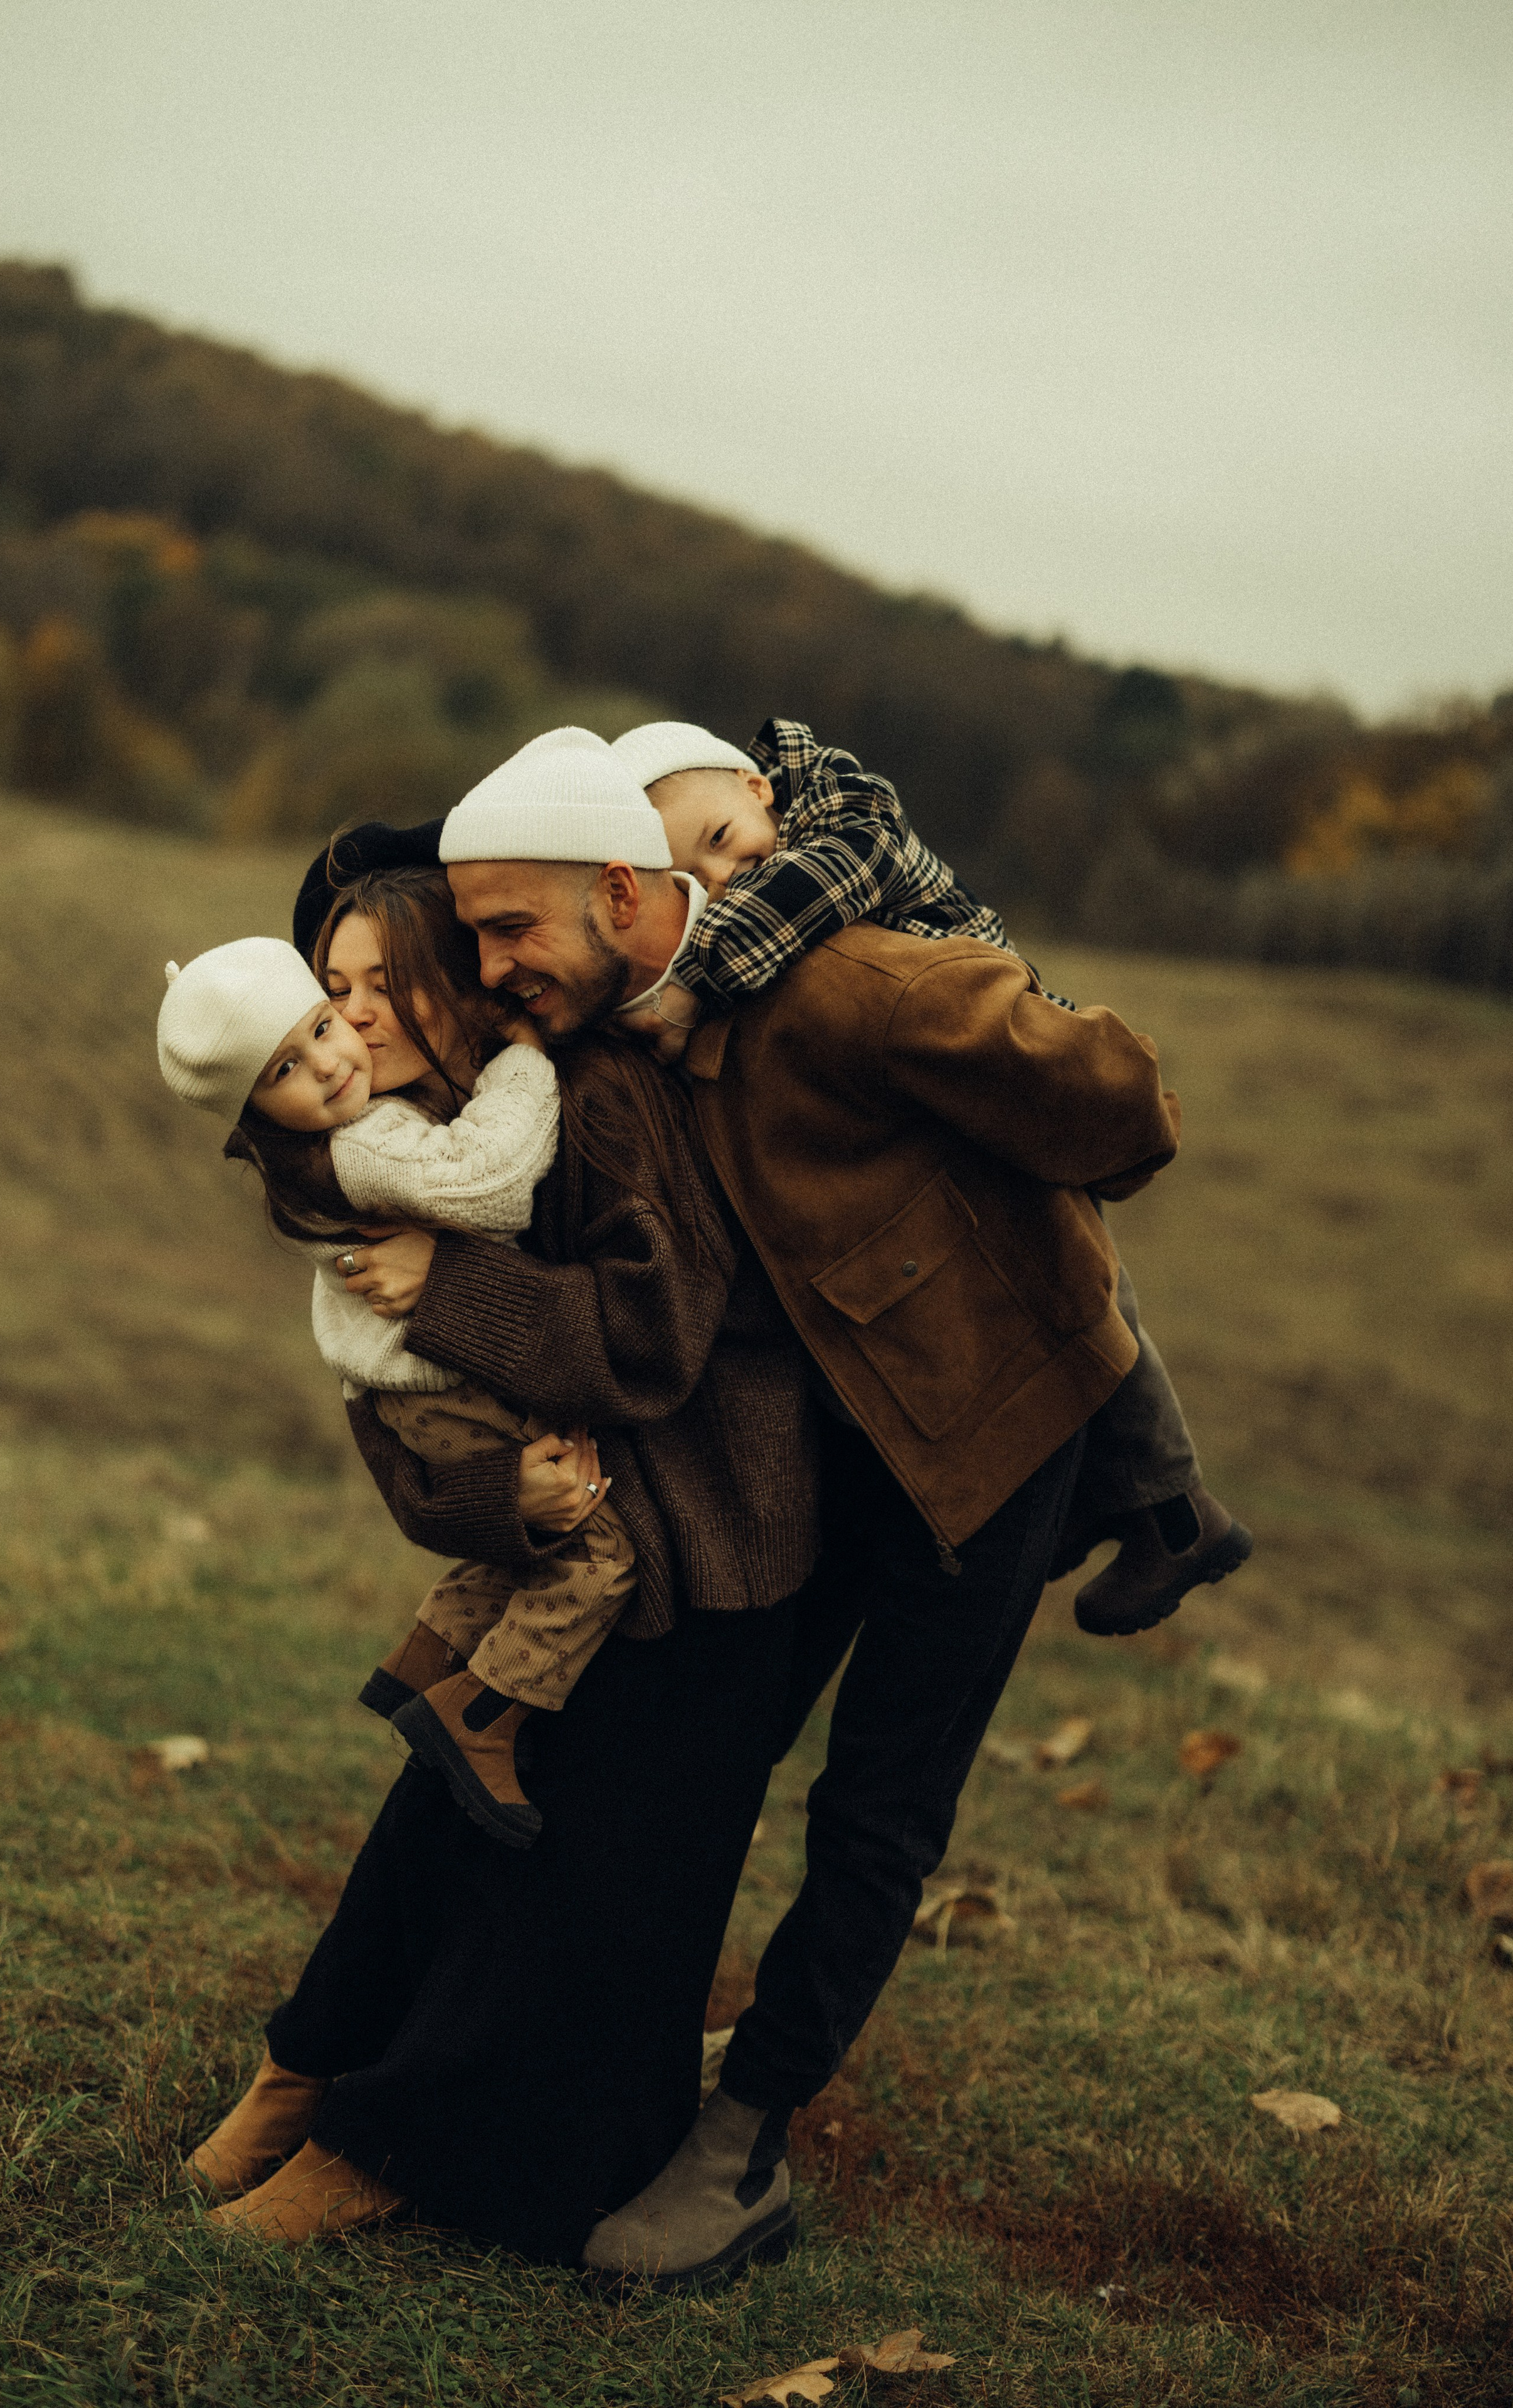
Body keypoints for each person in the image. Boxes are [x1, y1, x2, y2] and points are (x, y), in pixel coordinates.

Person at [405, 725, 1183, 2286]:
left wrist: (996, 1203)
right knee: (716, 1744)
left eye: (508, 929)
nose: (489, 968)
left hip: (986, 1451)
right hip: (835, 1453)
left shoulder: (846, 986)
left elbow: (1123, 1107)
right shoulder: (630, 1046)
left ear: (621, 895)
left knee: (876, 1810)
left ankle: (743, 2144)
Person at [179, 742, 820, 2257]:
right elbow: (405, 1445)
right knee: (441, 1807)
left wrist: (450, 1291)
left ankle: (395, 2145)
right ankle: (308, 2069)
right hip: (603, 1535)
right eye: (330, 990)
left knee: (558, 1855)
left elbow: (657, 1335)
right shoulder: (410, 1156)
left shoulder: (586, 1102)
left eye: (380, 983)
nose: (347, 1019)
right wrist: (500, 1498)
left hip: (715, 1546)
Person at [608, 715, 1251, 1639]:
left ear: (758, 789)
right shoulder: (769, 853)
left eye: (720, 839)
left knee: (1074, 1263)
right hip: (934, 1088)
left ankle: (1176, 1512)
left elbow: (809, 890)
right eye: (692, 881)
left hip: (995, 1035)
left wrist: (692, 981)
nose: (723, 879)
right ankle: (1132, 1504)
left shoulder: (845, 813)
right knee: (1065, 1261)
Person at [155, 894, 635, 1852]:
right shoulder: (363, 1144)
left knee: (520, 1552)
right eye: (286, 1070)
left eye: (322, 1025)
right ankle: (481, 1713)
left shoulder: (311, 1155)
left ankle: (426, 1657)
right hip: (440, 1386)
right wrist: (523, 1061)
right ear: (256, 1112)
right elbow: (488, 1180)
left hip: (409, 1392)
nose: (332, 1060)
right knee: (598, 1555)